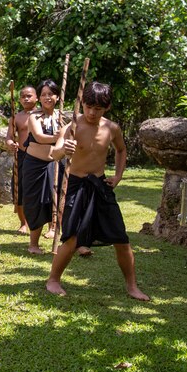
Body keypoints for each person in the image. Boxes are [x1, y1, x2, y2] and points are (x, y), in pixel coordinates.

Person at [45, 82, 150, 301]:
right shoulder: (71, 126)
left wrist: (118, 175)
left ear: (107, 107)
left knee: (121, 238)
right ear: (82, 103)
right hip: (75, 186)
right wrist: (64, 149)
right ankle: (53, 280)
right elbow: (53, 154)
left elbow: (121, 150)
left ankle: (132, 286)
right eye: (89, 106)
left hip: (100, 186)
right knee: (72, 239)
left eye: (98, 109)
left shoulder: (111, 128)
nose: (92, 113)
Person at [19, 79, 64, 254]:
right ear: (39, 98)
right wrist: (61, 136)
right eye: (44, 94)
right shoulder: (33, 117)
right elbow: (39, 136)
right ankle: (33, 244)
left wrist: (66, 134)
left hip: (56, 163)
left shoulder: (62, 118)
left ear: (57, 97)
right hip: (34, 166)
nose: (47, 97)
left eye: (50, 94)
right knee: (35, 202)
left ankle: (60, 235)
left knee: (57, 200)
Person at [6, 85, 39, 234]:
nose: (26, 98)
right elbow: (9, 137)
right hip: (22, 155)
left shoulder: (43, 115)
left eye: (29, 96)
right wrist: (11, 143)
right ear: (19, 99)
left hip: (41, 156)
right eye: (23, 96)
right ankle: (23, 223)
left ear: (36, 98)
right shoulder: (16, 117)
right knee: (20, 190)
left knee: (44, 191)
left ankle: (51, 225)